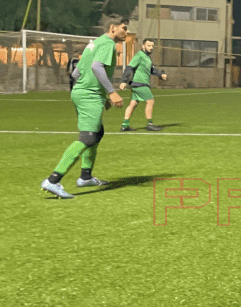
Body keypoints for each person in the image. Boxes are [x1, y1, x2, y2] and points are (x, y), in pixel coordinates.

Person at [40, 18, 128, 199]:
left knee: (97, 133)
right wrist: (111, 92)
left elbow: (76, 73)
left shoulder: (94, 44)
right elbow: (97, 67)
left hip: (81, 93)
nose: (126, 32)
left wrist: (92, 94)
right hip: (89, 95)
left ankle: (85, 177)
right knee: (88, 137)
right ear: (113, 28)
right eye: (124, 28)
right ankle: (53, 180)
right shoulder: (108, 44)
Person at [119, 38, 168, 131]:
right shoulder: (139, 55)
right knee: (150, 101)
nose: (151, 47)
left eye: (152, 46)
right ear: (143, 46)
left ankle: (124, 126)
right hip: (140, 84)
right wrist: (124, 81)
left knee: (133, 104)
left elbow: (152, 70)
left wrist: (160, 74)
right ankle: (150, 124)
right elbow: (129, 67)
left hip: (139, 84)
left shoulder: (147, 57)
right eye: (149, 45)